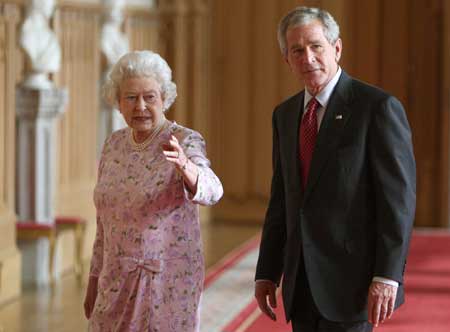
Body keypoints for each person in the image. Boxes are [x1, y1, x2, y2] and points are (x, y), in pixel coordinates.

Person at [254, 6, 416, 332]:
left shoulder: (377, 108)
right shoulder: (284, 116)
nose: (308, 58)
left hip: (354, 283)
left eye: (316, 46)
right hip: (301, 284)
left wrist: (387, 276)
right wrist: (267, 271)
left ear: (336, 48)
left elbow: (398, 203)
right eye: (297, 50)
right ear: (287, 59)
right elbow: (281, 199)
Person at [83, 50, 223, 332]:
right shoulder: (114, 144)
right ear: (118, 103)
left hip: (165, 283)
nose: (141, 107)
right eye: (131, 98)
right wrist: (94, 277)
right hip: (115, 280)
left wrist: (187, 167)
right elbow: (104, 222)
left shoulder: (183, 140)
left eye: (150, 97)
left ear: (164, 98)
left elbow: (213, 190)